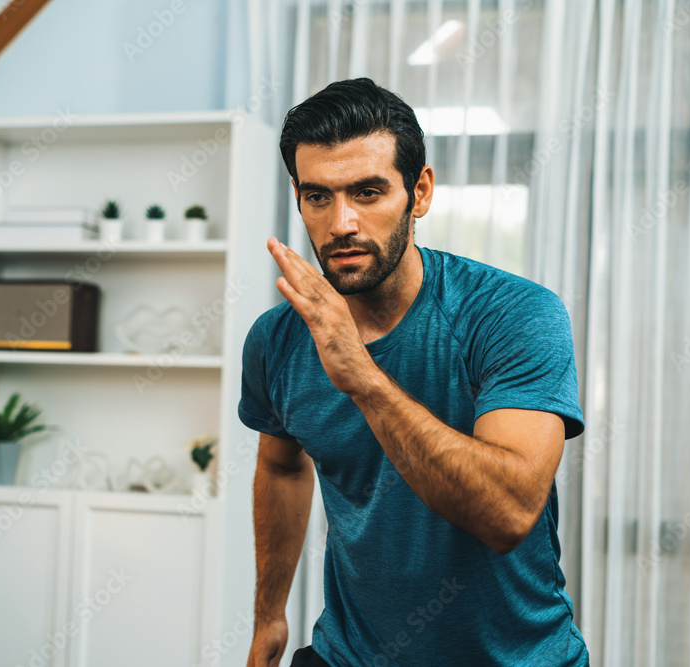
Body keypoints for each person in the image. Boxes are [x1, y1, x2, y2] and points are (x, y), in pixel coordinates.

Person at [238, 77, 589, 667]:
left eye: (367, 192)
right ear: (297, 197)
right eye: (319, 196)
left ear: (419, 192)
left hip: (514, 658)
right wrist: (269, 616)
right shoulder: (276, 339)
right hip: (348, 654)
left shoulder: (515, 315)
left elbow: (508, 514)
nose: (342, 223)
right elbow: (280, 465)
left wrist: (363, 377)